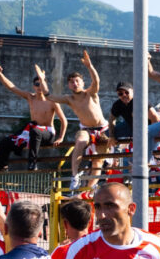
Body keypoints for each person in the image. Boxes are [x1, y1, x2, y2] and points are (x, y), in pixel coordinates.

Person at [37, 50, 108, 190]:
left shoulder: (90, 93)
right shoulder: (69, 99)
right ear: (69, 85)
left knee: (98, 162)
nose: (74, 84)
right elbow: (48, 95)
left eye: (77, 81)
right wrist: (42, 79)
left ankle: (89, 188)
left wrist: (89, 66)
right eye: (71, 82)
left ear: (82, 82)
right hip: (86, 129)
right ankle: (74, 176)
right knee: (80, 142)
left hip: (102, 129)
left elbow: (96, 81)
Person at [0, 65, 67, 170]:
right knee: (5, 142)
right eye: (36, 84)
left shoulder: (52, 101)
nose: (39, 86)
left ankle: (32, 163)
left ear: (45, 85)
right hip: (32, 132)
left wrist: (61, 137)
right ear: (34, 86)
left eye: (41, 84)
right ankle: (2, 166)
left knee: (35, 131)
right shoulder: (31, 97)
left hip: (47, 133)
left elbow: (64, 120)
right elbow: (12, 87)